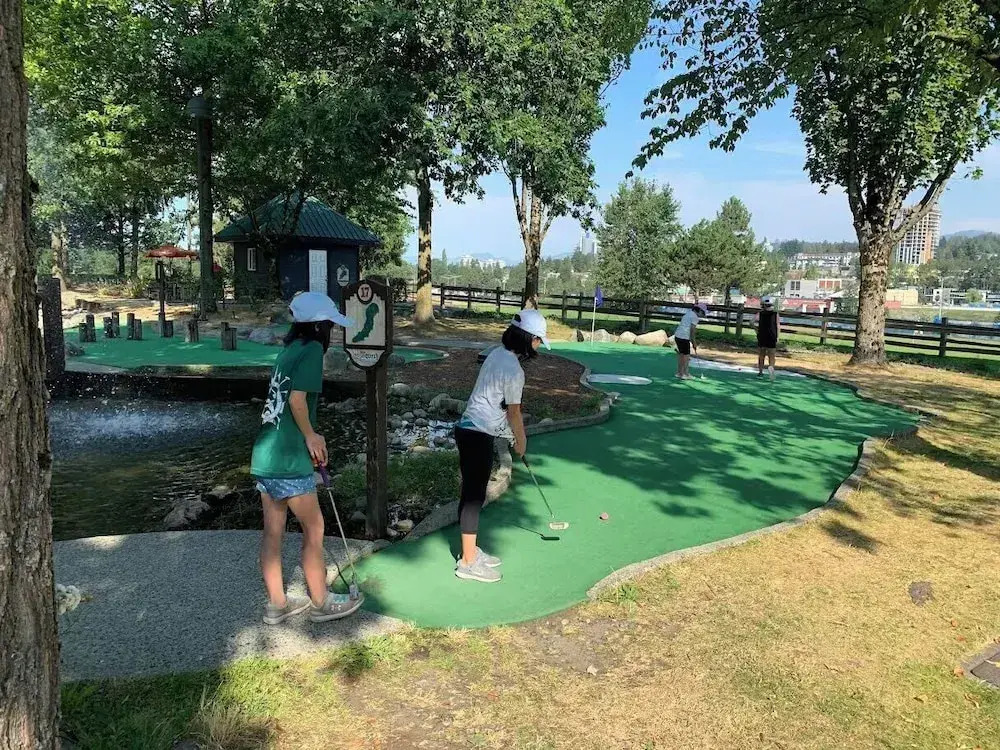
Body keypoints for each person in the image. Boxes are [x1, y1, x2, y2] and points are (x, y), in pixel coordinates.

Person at [251, 291, 361, 625]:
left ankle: (277, 604)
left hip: (265, 455)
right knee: (314, 529)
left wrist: (309, 435)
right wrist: (312, 436)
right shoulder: (312, 349)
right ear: (319, 325)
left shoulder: (289, 349)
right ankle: (321, 602)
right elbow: (297, 401)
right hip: (288, 458)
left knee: (273, 533)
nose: (332, 330)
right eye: (330, 324)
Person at [452, 309, 550, 583]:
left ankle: (470, 550)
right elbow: (514, 412)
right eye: (538, 340)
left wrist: (510, 435)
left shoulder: (497, 354)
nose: (538, 345)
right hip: (477, 434)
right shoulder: (514, 370)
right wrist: (522, 440)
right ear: (528, 339)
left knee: (472, 493)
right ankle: (468, 563)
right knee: (474, 497)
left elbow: (501, 405)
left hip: (470, 430)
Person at [673, 302, 708, 379]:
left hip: (677, 336)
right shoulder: (695, 317)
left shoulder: (688, 313)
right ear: (699, 310)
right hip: (684, 337)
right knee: (686, 356)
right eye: (703, 313)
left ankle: (679, 373)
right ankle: (686, 374)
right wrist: (694, 342)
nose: (702, 315)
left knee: (681, 355)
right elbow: (692, 331)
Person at [755, 296, 780, 381]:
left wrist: (756, 329)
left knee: (761, 355)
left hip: (762, 336)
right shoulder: (775, 314)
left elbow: (751, 322)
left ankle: (760, 372)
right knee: (771, 355)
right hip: (772, 336)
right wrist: (777, 336)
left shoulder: (760, 313)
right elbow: (778, 326)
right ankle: (771, 368)